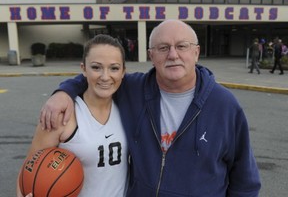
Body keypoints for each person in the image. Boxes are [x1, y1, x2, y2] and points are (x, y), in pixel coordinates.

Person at [40, 19, 261, 196]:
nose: (173, 54)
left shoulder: (224, 105)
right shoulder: (132, 89)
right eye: (163, 47)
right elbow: (100, 75)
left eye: (182, 46)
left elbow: (245, 181)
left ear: (196, 52)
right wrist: (64, 92)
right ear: (151, 55)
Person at [17, 34, 129, 197]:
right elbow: (28, 170)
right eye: (96, 67)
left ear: (123, 72)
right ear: (83, 68)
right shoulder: (61, 114)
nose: (105, 77)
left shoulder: (128, 107)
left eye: (114, 68)